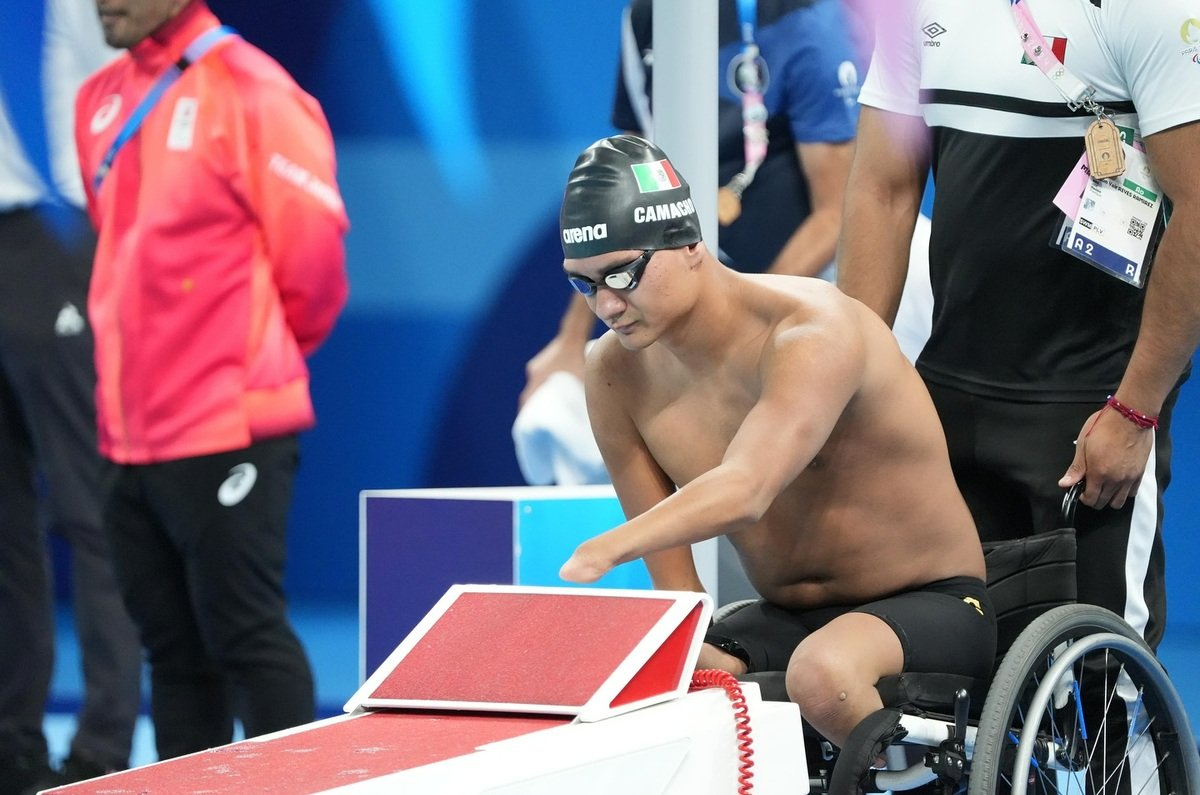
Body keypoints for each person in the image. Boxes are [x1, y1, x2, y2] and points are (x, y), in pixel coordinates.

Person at [555, 134, 995, 748]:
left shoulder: (813, 330)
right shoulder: (612, 374)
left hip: (933, 605)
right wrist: (685, 655)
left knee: (822, 675)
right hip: (788, 620)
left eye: (622, 274)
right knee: (649, 675)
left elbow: (748, 487)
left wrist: (607, 549)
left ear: (686, 243)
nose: (606, 303)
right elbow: (680, 593)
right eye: (584, 284)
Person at [837, 0, 1200, 656]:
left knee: (1101, 685)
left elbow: (1199, 209)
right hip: (943, 394)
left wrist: (1135, 410)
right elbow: (882, 191)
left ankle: (1125, 760)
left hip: (1093, 404)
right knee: (950, 672)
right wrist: (846, 385)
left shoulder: (1150, 8)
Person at [73, 0, 349, 760]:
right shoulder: (96, 100)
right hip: (127, 437)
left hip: (230, 424)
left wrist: (243, 361)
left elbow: (315, 266)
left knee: (246, 637)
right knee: (173, 654)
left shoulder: (256, 91)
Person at [520, 0, 861, 409]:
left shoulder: (805, 20)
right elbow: (616, 192)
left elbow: (836, 213)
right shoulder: (647, 16)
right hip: (702, 304)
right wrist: (571, 340)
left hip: (809, 294)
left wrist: (750, 326)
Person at [0, 0, 142, 791]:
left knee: (88, 505)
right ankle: (11, 733)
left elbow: (136, 82)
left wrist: (94, 231)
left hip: (55, 235)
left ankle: (103, 742)